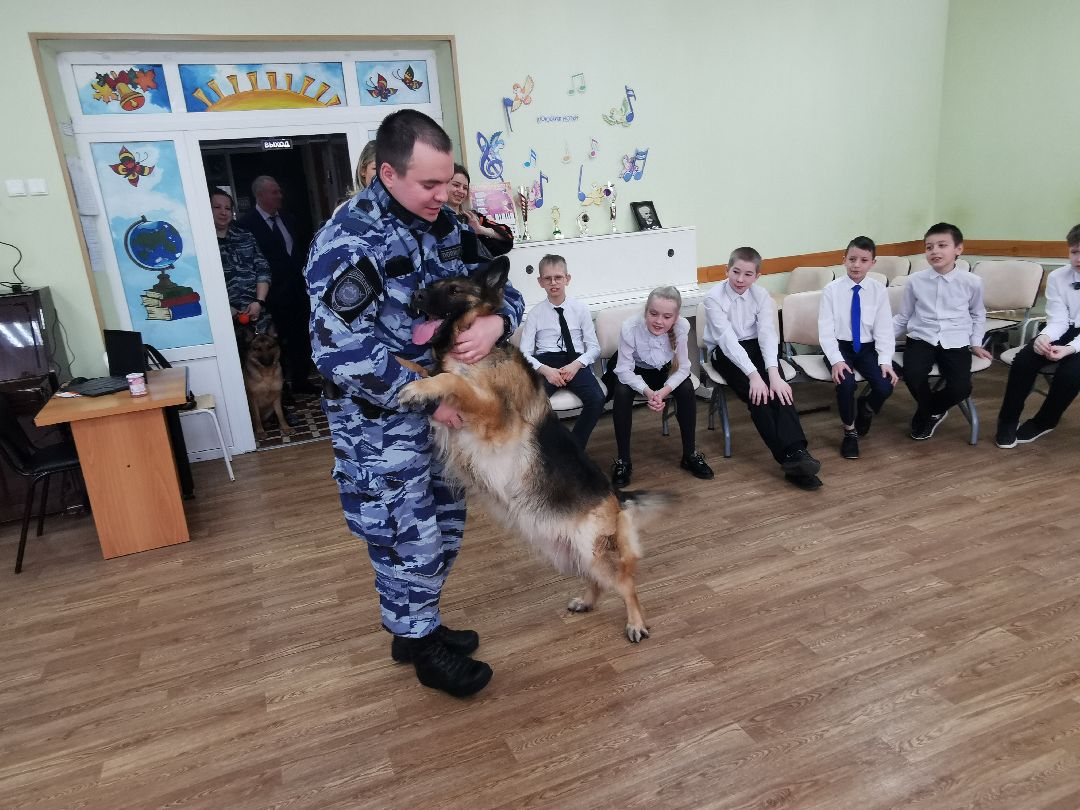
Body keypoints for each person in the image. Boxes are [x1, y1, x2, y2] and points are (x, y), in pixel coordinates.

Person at [305, 109, 524, 698]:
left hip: (443, 409)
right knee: (407, 534)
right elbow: (340, 352)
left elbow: (500, 284)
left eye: (446, 181)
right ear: (387, 173)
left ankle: (415, 625)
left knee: (445, 523)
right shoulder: (349, 241)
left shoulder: (443, 225)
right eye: (429, 184)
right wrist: (432, 405)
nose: (442, 195)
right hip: (379, 421)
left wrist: (498, 320)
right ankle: (422, 645)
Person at [702, 246, 822, 490]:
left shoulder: (761, 296)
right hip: (725, 353)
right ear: (726, 270)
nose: (740, 279)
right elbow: (727, 342)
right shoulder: (713, 297)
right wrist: (755, 376)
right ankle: (789, 459)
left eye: (748, 274)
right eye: (736, 272)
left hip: (757, 347)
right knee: (758, 396)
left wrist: (774, 374)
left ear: (757, 276)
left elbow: (767, 335)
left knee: (780, 390)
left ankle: (798, 453)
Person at [894, 223, 992, 440]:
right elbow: (903, 317)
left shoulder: (972, 282)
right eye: (929, 247)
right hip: (921, 337)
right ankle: (930, 412)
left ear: (958, 249)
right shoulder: (915, 281)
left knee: (961, 388)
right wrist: (879, 340)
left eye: (942, 245)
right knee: (913, 374)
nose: (934, 251)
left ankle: (928, 410)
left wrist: (976, 343)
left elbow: (978, 314)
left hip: (956, 339)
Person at [609, 286, 713, 487]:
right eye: (653, 314)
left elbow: (684, 368)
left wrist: (663, 391)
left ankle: (690, 455)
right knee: (621, 391)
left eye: (667, 317)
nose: (659, 321)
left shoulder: (681, 327)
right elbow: (623, 370)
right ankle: (623, 460)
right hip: (635, 371)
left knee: (686, 388)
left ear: (676, 317)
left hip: (664, 370)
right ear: (646, 311)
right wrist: (649, 392)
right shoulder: (630, 327)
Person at [996, 224, 1080, 448]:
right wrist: (1045, 337)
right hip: (1064, 328)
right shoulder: (1058, 277)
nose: (1078, 258)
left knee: (1071, 374)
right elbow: (1058, 319)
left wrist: (1069, 349)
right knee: (1024, 360)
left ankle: (1045, 421)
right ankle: (1008, 419)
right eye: (1074, 252)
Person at [818, 236, 898, 459]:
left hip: (866, 348)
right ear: (844, 259)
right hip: (840, 347)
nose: (856, 265)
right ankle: (850, 432)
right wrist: (836, 360)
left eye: (863, 260)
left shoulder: (878, 290)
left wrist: (885, 360)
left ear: (872, 263)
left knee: (885, 385)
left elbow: (884, 329)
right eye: (852, 259)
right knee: (846, 383)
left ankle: (866, 408)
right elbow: (825, 330)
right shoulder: (831, 290)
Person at [237, 175, 317, 395]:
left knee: (301, 337)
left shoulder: (288, 218)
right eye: (275, 192)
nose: (280, 196)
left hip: (297, 292)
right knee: (275, 341)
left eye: (279, 191)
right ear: (260, 195)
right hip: (270, 296)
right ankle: (282, 391)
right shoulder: (246, 225)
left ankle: (301, 381)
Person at [518, 254, 605, 448]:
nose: (553, 282)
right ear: (540, 282)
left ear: (567, 278)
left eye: (558, 277)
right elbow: (524, 353)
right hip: (546, 363)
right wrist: (546, 371)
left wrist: (577, 365)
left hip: (575, 361)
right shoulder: (535, 314)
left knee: (597, 399)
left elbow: (594, 348)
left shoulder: (580, 309)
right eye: (547, 278)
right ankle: (544, 449)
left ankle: (574, 447)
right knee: (531, 405)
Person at [210, 187, 271, 336]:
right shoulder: (202, 244)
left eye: (227, 208)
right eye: (217, 207)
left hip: (256, 317)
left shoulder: (245, 236)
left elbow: (263, 270)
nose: (223, 212)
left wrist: (259, 302)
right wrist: (225, 308)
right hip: (221, 322)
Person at [446, 164, 514, 257]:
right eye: (456, 185)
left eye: (465, 188)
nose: (461, 191)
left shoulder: (473, 218)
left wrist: (481, 230)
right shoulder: (433, 217)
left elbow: (508, 238)